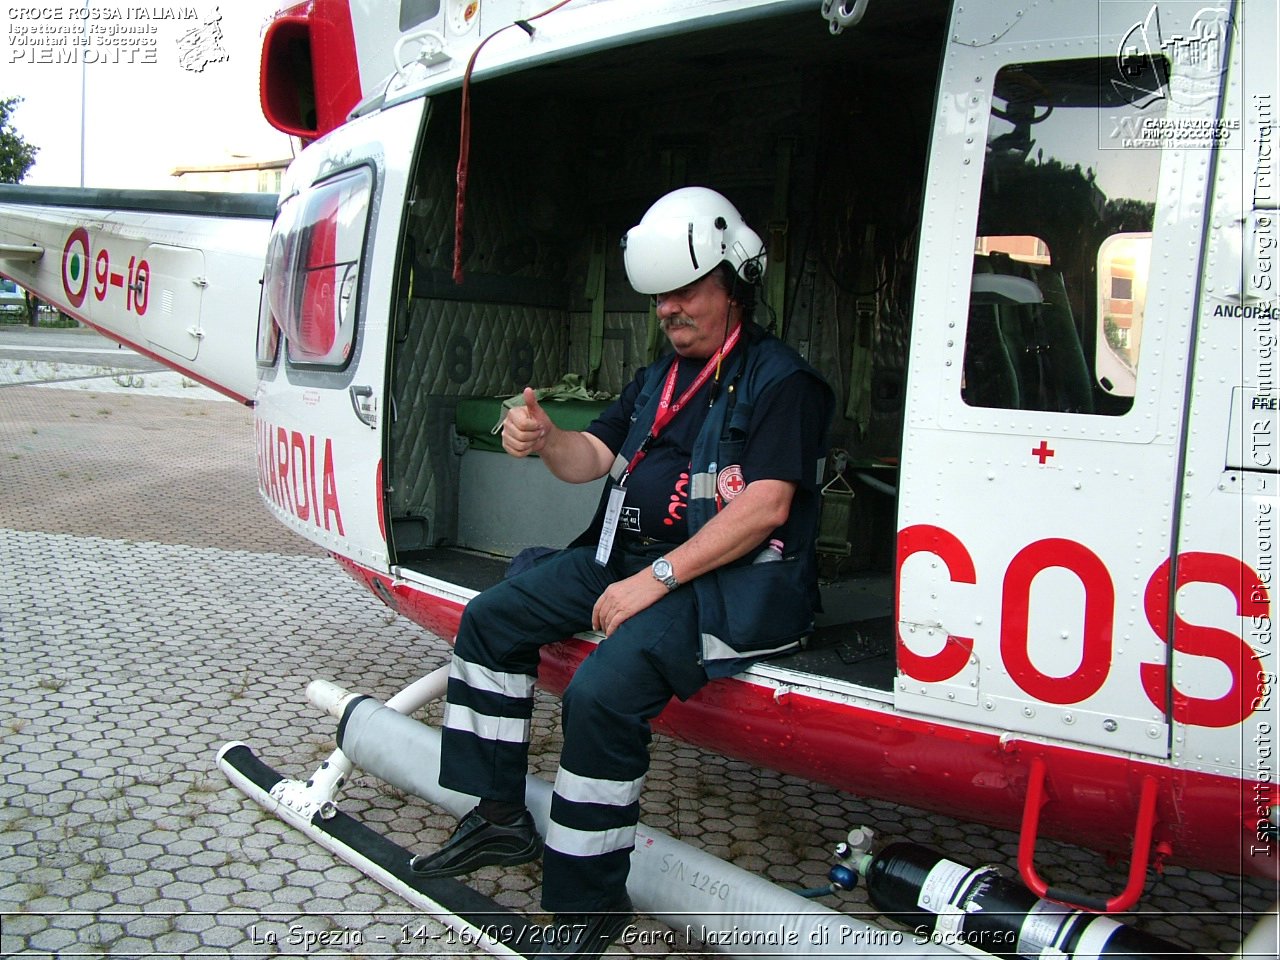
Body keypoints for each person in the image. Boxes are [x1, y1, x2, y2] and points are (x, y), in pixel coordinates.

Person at [409, 186, 834, 958]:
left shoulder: (783, 384)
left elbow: (767, 507)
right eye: (660, 295)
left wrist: (656, 581)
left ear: (734, 285)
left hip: (724, 583)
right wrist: (541, 439)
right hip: (627, 561)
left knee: (603, 694)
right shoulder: (655, 380)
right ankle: (501, 816)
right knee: (491, 620)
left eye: (686, 291)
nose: (668, 308)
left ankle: (586, 904)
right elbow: (593, 459)